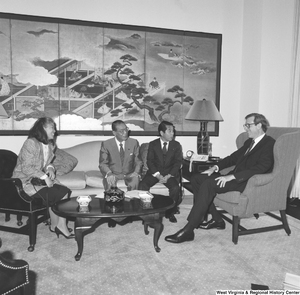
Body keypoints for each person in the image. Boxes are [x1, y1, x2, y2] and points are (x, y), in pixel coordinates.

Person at [165, 113, 275, 243]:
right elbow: (232, 158)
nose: (245, 128)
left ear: (259, 125)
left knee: (208, 184)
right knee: (197, 178)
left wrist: (231, 177)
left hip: (245, 181)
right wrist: (215, 168)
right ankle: (218, 220)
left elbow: (261, 168)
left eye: (248, 125)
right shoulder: (249, 142)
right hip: (234, 177)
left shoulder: (269, 144)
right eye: (245, 125)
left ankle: (189, 229)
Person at [12, 117, 74, 239]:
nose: (55, 131)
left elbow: (46, 163)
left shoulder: (50, 145)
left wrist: (50, 168)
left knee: (64, 191)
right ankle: (58, 226)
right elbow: (26, 168)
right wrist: (45, 177)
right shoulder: (31, 143)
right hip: (23, 182)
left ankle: (57, 225)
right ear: (43, 128)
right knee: (59, 194)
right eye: (52, 127)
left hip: (37, 180)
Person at [139, 121, 183, 223]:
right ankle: (146, 211)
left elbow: (177, 162)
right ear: (162, 133)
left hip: (169, 173)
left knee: (175, 188)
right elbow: (150, 161)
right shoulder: (153, 144)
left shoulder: (176, 145)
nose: (173, 133)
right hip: (154, 173)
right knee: (143, 185)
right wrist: (158, 175)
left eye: (173, 131)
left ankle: (170, 212)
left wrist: (168, 176)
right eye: (170, 131)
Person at [99, 120, 142, 191]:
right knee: (110, 183)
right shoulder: (106, 144)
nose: (125, 133)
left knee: (135, 180)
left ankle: (133, 201)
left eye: (126, 129)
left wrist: (136, 172)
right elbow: (103, 163)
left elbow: (138, 161)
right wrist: (109, 173)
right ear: (114, 133)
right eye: (121, 131)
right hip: (113, 173)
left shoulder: (134, 142)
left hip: (130, 173)